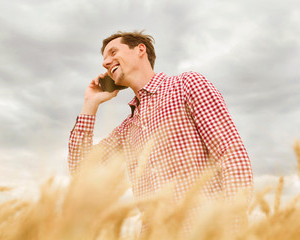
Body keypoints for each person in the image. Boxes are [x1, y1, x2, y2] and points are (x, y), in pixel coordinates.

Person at [68, 30, 253, 231]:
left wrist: (234, 227)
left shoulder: (187, 85)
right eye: (104, 59)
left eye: (113, 52)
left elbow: (231, 155)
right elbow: (82, 171)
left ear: (140, 49)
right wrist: (90, 104)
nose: (105, 63)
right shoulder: (127, 129)